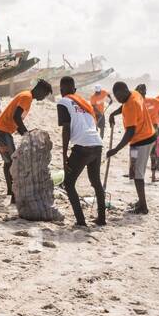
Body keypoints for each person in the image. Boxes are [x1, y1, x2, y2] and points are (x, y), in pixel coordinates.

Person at [57, 76, 105, 226]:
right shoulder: (85, 103)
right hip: (97, 144)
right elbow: (98, 122)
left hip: (82, 147)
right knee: (96, 182)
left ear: (61, 90)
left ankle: (81, 221)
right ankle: (102, 219)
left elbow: (66, 130)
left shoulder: (63, 102)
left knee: (69, 183)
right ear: (75, 90)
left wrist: (64, 155)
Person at [0, 79, 51, 201]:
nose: (44, 97)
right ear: (40, 90)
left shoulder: (27, 96)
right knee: (13, 162)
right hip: (2, 131)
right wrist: (26, 134)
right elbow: (16, 117)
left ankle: (11, 191)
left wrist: (25, 134)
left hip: (4, 131)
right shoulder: (27, 97)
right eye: (45, 94)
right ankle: (14, 194)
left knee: (8, 162)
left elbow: (16, 120)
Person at [106, 80, 155, 213]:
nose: (117, 99)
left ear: (124, 92)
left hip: (143, 140)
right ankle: (140, 200)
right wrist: (113, 114)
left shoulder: (130, 105)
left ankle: (143, 207)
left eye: (118, 96)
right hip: (138, 140)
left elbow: (130, 132)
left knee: (138, 174)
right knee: (133, 171)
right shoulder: (134, 93)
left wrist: (115, 149)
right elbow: (122, 107)